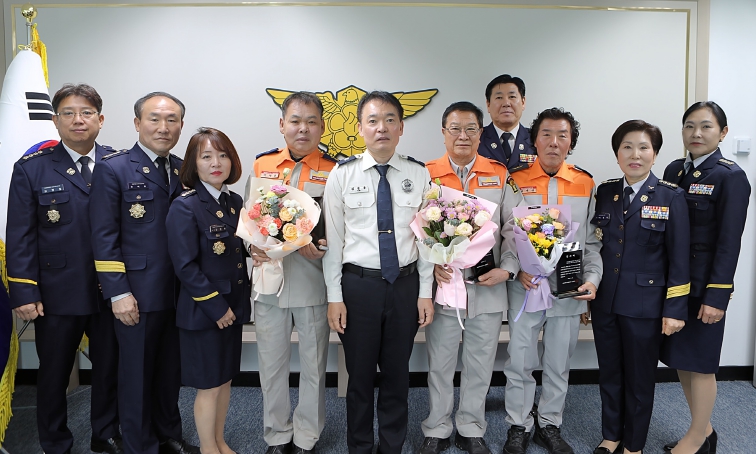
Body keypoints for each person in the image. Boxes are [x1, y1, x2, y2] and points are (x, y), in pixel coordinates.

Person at [6, 83, 121, 454]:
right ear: (55, 121)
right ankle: (55, 442)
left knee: (110, 367)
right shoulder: (32, 168)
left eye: (86, 113)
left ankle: (106, 435)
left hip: (111, 290)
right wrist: (24, 291)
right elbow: (20, 234)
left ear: (100, 119)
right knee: (54, 372)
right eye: (68, 113)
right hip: (56, 293)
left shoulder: (119, 164)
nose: (78, 120)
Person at [323, 91, 434, 454]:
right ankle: (359, 446)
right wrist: (335, 297)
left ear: (401, 127)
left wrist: (425, 292)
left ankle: (391, 447)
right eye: (372, 120)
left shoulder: (418, 174)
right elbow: (334, 243)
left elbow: (428, 239)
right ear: (360, 128)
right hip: (358, 288)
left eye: (389, 120)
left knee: (397, 374)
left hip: (405, 285)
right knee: (358, 377)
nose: (381, 127)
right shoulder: (342, 175)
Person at [90, 92, 198, 454]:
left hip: (179, 293)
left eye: (172, 120)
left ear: (181, 126)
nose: (163, 127)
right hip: (136, 293)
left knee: (170, 371)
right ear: (138, 123)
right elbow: (103, 236)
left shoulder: (184, 169)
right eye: (154, 119)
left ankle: (167, 434)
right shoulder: (114, 168)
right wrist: (118, 293)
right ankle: (140, 445)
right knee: (135, 375)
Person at [418, 101, 522, 454]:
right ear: (443, 132)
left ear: (481, 133)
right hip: (444, 286)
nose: (463, 135)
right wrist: (430, 263)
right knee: (440, 363)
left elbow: (514, 228)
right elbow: (413, 231)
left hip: (488, 287)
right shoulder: (426, 174)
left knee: (480, 363)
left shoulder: (499, 174)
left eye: (471, 129)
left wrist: (508, 268)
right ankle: (437, 427)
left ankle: (471, 426)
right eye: (455, 128)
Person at [502, 108, 602, 454]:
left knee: (559, 362)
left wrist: (592, 279)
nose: (554, 142)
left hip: (568, 288)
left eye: (562, 135)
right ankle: (518, 424)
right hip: (526, 287)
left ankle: (550, 424)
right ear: (534, 140)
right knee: (520, 360)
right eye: (546, 134)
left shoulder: (585, 183)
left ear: (570, 142)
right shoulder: (515, 180)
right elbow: (506, 233)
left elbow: (592, 243)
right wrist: (517, 269)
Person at [590, 120, 689, 454]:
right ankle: (611, 435)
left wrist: (675, 309)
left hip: (646, 305)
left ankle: (634, 445)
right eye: (627, 147)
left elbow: (679, 259)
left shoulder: (671, 196)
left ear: (655, 154)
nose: (635, 154)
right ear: (617, 154)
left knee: (640, 378)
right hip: (606, 302)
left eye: (643, 147)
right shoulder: (606, 192)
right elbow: (596, 246)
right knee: (609, 372)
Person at [246, 92, 336, 454]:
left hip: (313, 281)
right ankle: (277, 434)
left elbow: (339, 228)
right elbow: (249, 217)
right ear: (282, 125)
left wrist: (323, 246)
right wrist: (250, 247)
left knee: (314, 366)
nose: (303, 128)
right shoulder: (262, 164)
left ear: (321, 127)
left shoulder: (335, 169)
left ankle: (307, 436)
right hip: (269, 281)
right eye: (296, 121)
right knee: (271, 366)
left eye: (311, 122)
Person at [659, 101, 750, 454]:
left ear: (722, 133)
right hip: (675, 284)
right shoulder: (674, 169)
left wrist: (717, 296)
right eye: (689, 126)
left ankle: (697, 439)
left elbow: (729, 243)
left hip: (704, 287)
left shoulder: (730, 177)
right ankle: (704, 430)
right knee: (681, 359)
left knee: (701, 364)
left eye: (706, 126)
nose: (696, 133)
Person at [166, 127, 250, 454]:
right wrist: (217, 308)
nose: (216, 163)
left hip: (233, 307)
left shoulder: (234, 202)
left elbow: (237, 249)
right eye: (207, 156)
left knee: (225, 380)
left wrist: (257, 250)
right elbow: (185, 266)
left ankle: (219, 441)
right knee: (209, 386)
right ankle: (207, 448)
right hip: (205, 313)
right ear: (194, 163)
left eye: (223, 155)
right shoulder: (185, 206)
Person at [477, 74, 536, 169]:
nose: (506, 103)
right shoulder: (476, 138)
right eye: (499, 98)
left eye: (512, 96)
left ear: (523, 102)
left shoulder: (536, 138)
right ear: (488, 104)